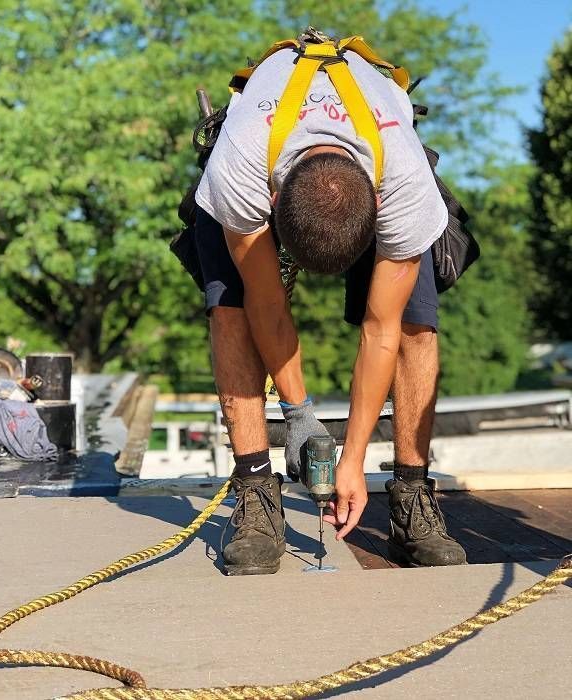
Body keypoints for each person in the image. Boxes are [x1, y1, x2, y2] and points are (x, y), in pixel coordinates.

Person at [178, 36, 467, 575]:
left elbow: (380, 330)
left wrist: (353, 459)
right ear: (271, 206)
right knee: (232, 312)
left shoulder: (405, 187)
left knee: (413, 324)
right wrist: (300, 415)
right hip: (258, 153)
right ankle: (257, 491)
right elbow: (268, 304)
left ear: (378, 209)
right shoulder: (241, 171)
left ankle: (410, 497)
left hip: (379, 155)